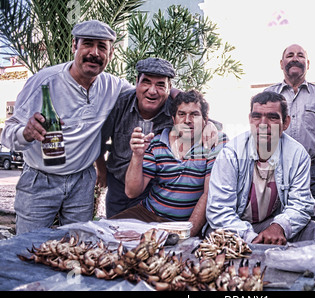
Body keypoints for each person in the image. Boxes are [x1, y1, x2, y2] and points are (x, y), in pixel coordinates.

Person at [1, 20, 133, 235]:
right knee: (28, 247)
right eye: (87, 44)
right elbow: (7, 134)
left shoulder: (114, 86)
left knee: (77, 247)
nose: (94, 52)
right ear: (74, 46)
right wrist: (26, 132)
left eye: (102, 47)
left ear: (111, 53)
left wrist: (201, 120)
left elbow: (148, 96)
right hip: (39, 180)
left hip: (82, 181)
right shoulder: (43, 82)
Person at [97, 57, 220, 218]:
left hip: (151, 187)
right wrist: (102, 171)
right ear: (137, 82)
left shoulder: (174, 109)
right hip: (118, 183)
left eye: (161, 84)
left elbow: (197, 115)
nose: (152, 91)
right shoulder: (120, 104)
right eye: (146, 82)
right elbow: (99, 139)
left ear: (170, 88)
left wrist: (210, 125)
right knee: (116, 231)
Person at [206, 91, 315, 245]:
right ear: (250, 119)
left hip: (269, 226)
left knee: (311, 229)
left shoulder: (297, 155)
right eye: (256, 116)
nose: (263, 124)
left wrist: (279, 226)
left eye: (272, 117)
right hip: (236, 226)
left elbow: (301, 204)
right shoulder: (231, 153)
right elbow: (219, 209)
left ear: (286, 122)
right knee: (214, 234)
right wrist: (250, 237)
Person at [110, 90, 227, 237]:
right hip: (149, 215)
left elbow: (208, 193)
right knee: (107, 234)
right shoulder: (157, 142)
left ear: (205, 120)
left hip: (186, 223)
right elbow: (132, 192)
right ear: (173, 119)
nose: (187, 120)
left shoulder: (215, 142)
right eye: (181, 114)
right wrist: (137, 155)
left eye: (194, 114)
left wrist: (187, 234)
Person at [265, 44, 315, 198]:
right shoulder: (268, 95)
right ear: (281, 63)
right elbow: (258, 137)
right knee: (277, 219)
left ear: (308, 63)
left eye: (300, 55)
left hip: (314, 172)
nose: (295, 59)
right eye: (290, 55)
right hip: (276, 170)